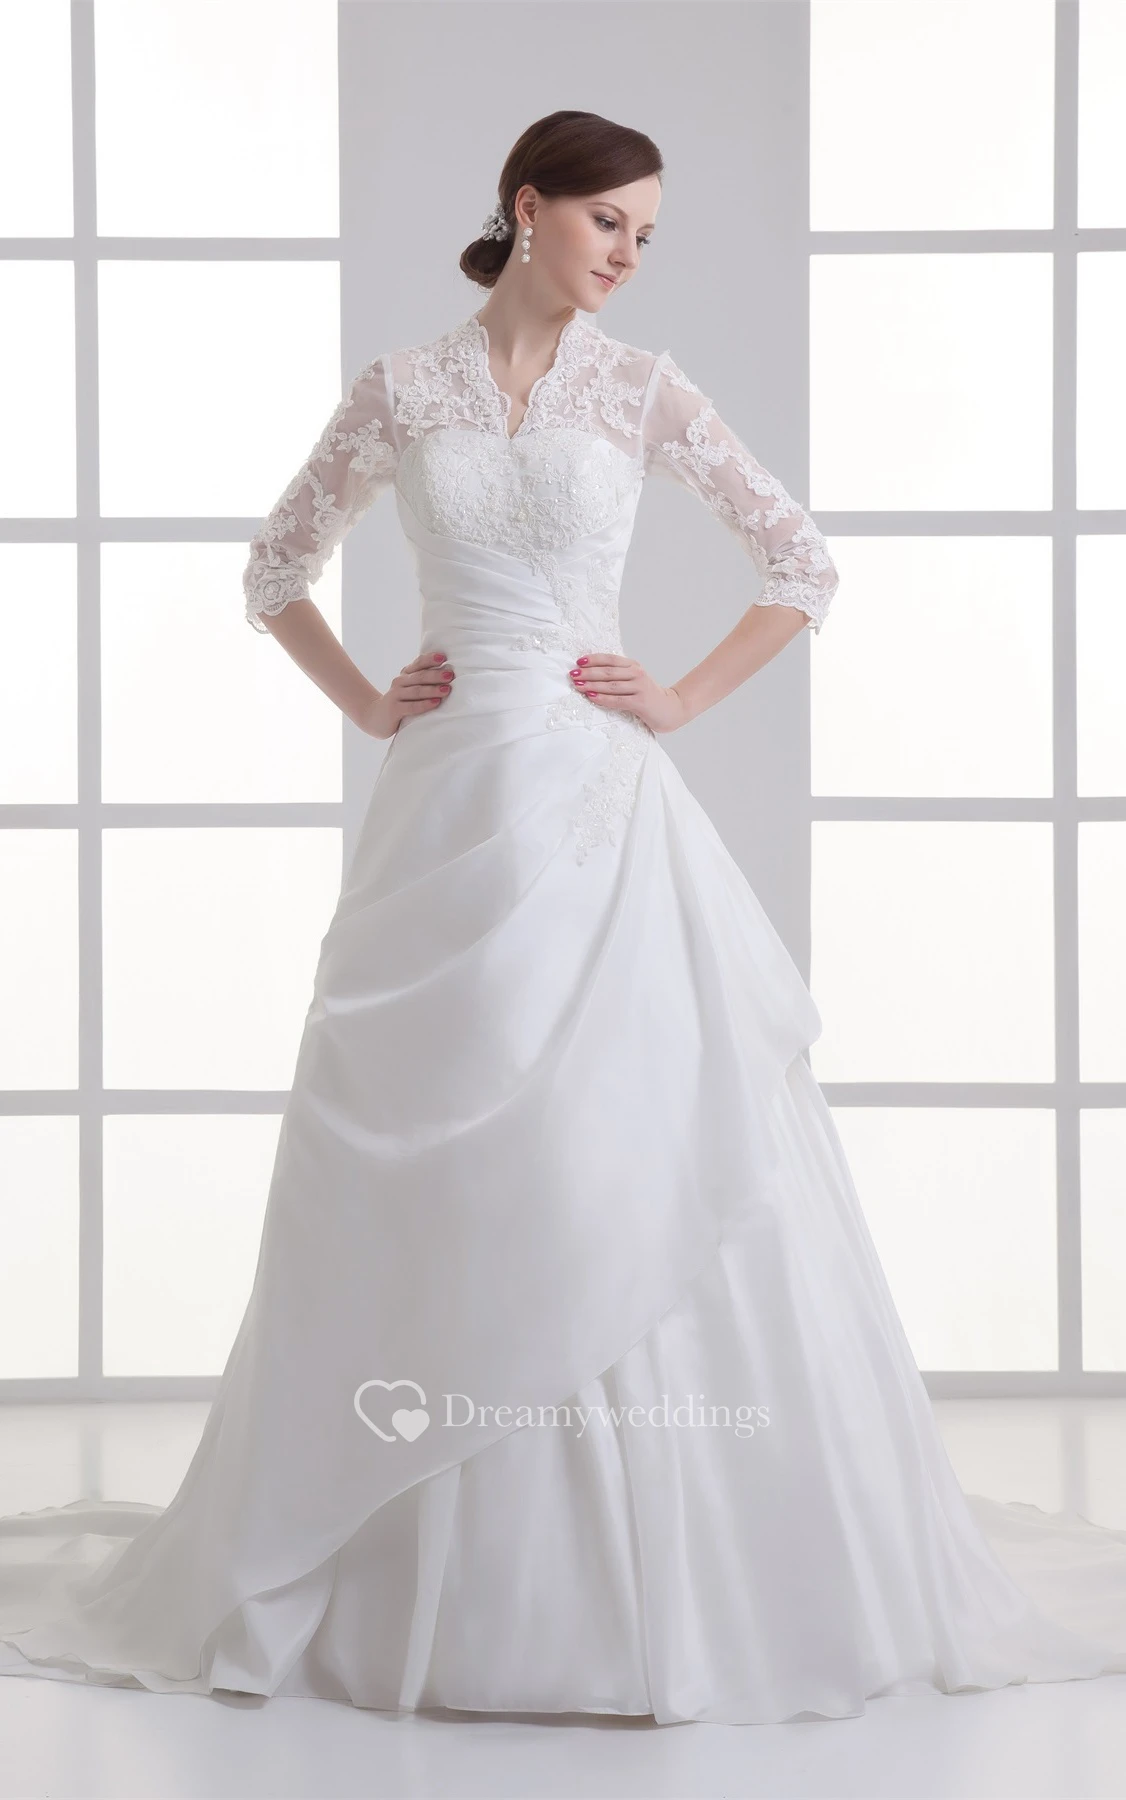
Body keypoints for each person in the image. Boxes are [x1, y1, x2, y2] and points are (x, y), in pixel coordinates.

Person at [2, 108, 1125, 1727]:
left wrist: (678, 696)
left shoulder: (642, 388)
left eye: (647, 236)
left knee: (613, 1134)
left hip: (596, 809)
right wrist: (368, 702)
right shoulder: (402, 390)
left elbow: (799, 561)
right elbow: (273, 569)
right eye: (609, 223)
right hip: (448, 806)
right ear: (526, 207)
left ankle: (655, 1574)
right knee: (437, 1137)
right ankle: (386, 1551)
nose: (628, 256)